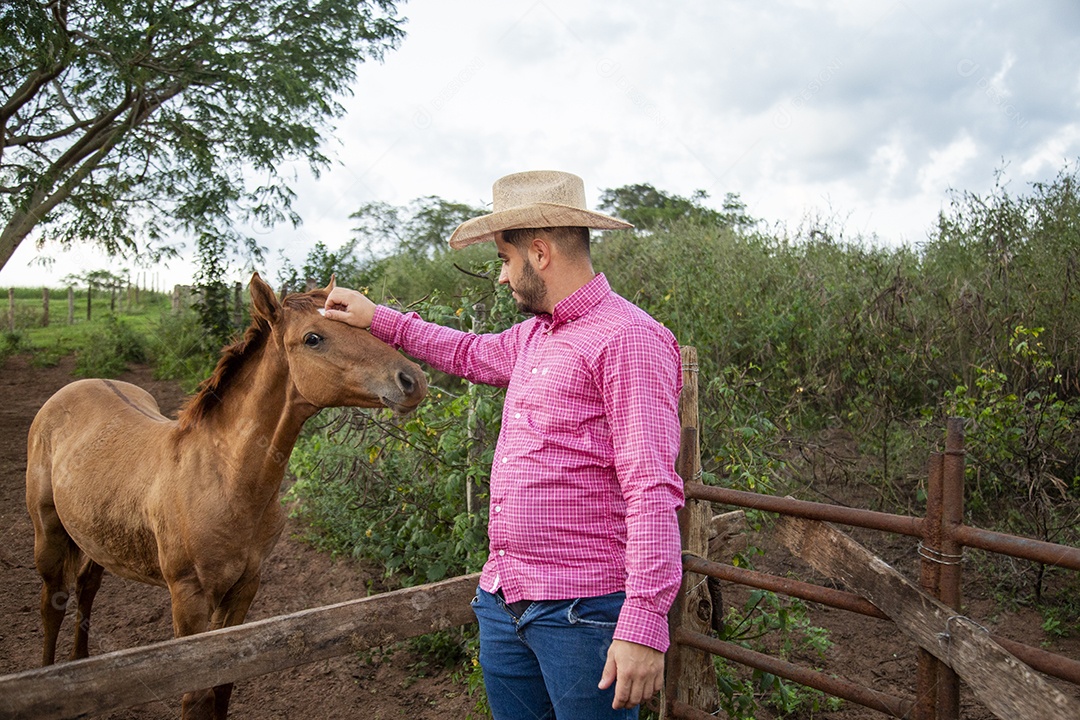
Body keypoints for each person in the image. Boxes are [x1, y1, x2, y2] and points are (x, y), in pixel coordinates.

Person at [324, 170, 684, 719]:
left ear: (538, 253)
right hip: (503, 599)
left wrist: (644, 621)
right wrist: (378, 319)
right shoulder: (537, 334)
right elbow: (468, 352)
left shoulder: (628, 338)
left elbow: (651, 486)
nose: (500, 278)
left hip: (582, 613)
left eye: (502, 259)